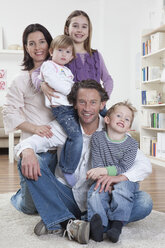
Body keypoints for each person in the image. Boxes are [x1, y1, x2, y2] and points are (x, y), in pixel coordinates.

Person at [14, 80, 152, 244]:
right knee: (28, 158)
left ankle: (63, 219)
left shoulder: (114, 128)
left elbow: (143, 164)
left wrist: (119, 177)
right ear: (74, 104)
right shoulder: (64, 127)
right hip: (67, 195)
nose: (87, 108)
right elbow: (29, 144)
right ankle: (68, 223)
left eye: (93, 102)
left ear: (102, 104)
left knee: (144, 202)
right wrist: (27, 151)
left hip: (101, 198)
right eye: (82, 102)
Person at [2, 23, 58, 214]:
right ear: (26, 48)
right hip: (34, 149)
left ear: (49, 44)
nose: (38, 47)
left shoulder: (62, 75)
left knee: (61, 198)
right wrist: (35, 128)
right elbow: (9, 112)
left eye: (42, 41)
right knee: (30, 207)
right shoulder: (21, 79)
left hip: (59, 148)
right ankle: (20, 196)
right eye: (31, 43)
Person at [41, 10, 114, 116]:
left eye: (84, 27)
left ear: (89, 31)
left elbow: (107, 79)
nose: (79, 30)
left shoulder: (96, 55)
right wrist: (41, 84)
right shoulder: (60, 54)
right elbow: (39, 72)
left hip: (95, 107)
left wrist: (104, 99)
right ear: (67, 29)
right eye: (75, 26)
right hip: (72, 108)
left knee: (111, 125)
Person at [86, 101, 140, 242]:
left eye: (127, 119)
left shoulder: (132, 145)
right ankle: (100, 226)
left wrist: (105, 171)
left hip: (122, 179)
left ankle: (117, 225)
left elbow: (124, 168)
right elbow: (97, 163)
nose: (123, 119)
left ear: (129, 127)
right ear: (108, 119)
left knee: (123, 188)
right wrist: (104, 178)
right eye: (119, 115)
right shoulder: (97, 138)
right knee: (95, 194)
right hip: (102, 178)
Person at [32, 34, 81, 186]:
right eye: (60, 50)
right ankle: (68, 169)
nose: (63, 55)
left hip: (71, 107)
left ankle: (67, 166)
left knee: (73, 137)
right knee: (76, 136)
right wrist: (74, 92)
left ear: (71, 56)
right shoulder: (48, 65)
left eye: (67, 52)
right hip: (61, 109)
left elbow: (71, 85)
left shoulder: (67, 71)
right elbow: (54, 82)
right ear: (52, 51)